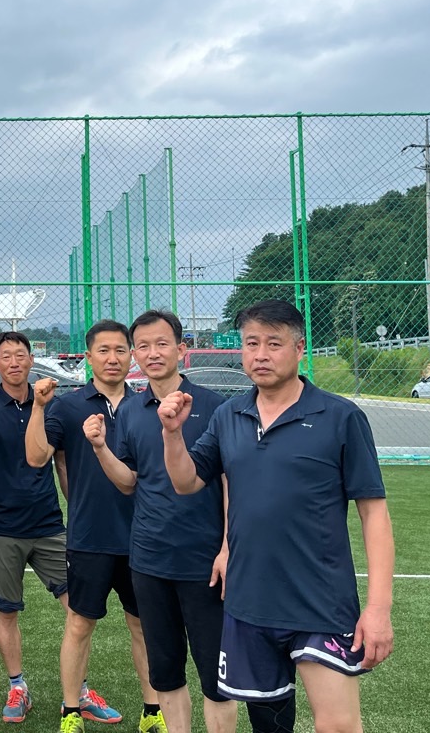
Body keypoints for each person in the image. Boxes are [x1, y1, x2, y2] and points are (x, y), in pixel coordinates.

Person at [158, 299, 395, 733]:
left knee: (338, 726)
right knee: (269, 727)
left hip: (320, 602)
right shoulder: (229, 415)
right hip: (249, 603)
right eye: (251, 344)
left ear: (300, 348)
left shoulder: (340, 416)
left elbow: (374, 514)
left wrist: (378, 609)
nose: (261, 354)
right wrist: (172, 435)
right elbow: (187, 481)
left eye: (274, 343)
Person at [90, 310, 256, 733]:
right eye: (143, 346)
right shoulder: (130, 411)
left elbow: (232, 483)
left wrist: (227, 548)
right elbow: (129, 481)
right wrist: (100, 448)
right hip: (149, 560)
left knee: (217, 679)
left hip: (205, 563)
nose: (152, 353)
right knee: (165, 673)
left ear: (181, 350)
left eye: (161, 344)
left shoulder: (216, 407)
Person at [24, 320, 140, 731]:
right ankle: (72, 711)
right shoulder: (69, 406)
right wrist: (38, 407)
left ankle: (154, 711)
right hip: (90, 536)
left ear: (131, 355)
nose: (113, 358)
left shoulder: (146, 405)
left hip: (143, 538)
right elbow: (37, 457)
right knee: (79, 623)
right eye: (103, 350)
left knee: (143, 627)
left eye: (120, 350)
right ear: (88, 357)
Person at [0, 331, 73, 725]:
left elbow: (61, 462)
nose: (14, 362)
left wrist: (77, 509)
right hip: (4, 526)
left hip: (49, 523)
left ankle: (77, 690)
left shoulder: (51, 404)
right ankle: (17, 687)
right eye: (6, 356)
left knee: (78, 608)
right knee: (7, 610)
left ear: (31, 360)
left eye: (20, 355)